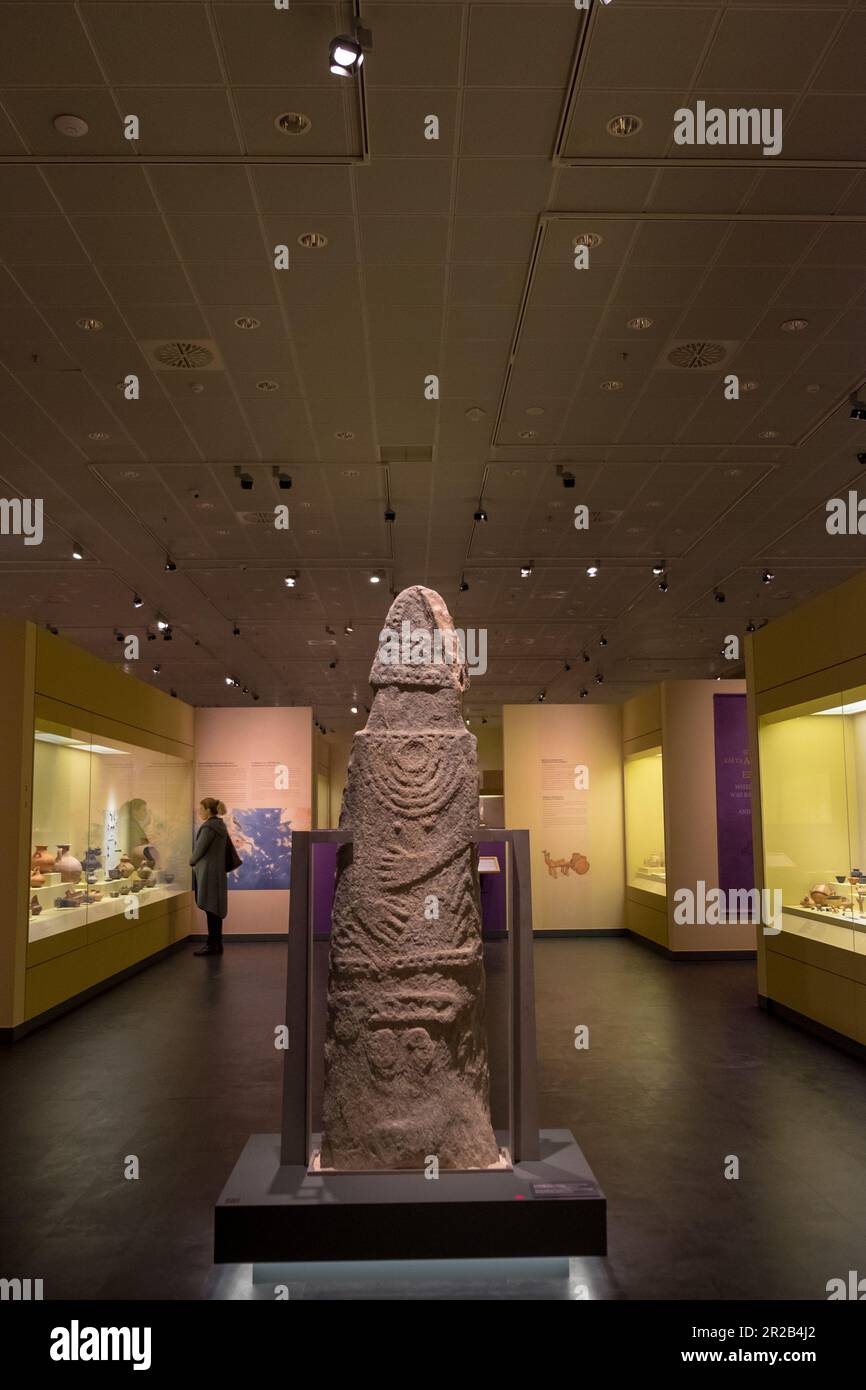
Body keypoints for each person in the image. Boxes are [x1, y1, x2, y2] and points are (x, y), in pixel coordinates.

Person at [190, 797, 228, 956]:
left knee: (210, 909)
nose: (199, 812)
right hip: (218, 871)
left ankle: (211, 944)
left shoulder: (208, 828)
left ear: (207, 810)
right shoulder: (220, 825)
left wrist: (191, 861)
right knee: (215, 909)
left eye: (201, 809)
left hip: (207, 872)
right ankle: (217, 943)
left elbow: (198, 851)